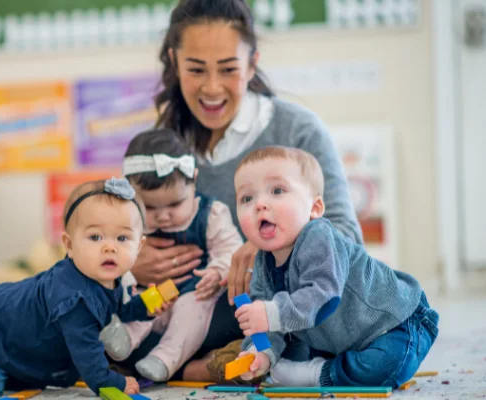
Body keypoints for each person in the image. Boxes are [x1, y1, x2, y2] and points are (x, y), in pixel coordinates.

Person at [121, 0, 363, 382]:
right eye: (196, 69)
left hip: (260, 308)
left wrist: (269, 244)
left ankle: (198, 365)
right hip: (174, 303)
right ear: (174, 60)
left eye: (229, 70)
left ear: (252, 64)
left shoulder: (296, 130)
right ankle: (193, 365)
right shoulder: (165, 144)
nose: (212, 88)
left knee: (259, 324)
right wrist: (132, 256)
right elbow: (114, 218)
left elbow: (348, 239)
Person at [232, 146, 438, 388]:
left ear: (314, 208)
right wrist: (260, 354)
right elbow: (271, 325)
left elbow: (323, 297)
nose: (259, 205)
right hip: (340, 340)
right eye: (247, 198)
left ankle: (316, 374)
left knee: (384, 366)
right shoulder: (263, 262)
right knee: (289, 348)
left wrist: (269, 313)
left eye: (277, 190)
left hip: (395, 322)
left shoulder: (319, 236)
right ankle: (316, 366)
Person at [0, 178, 172, 399]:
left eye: (122, 238)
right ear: (69, 245)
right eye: (95, 237)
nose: (110, 247)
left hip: (19, 338)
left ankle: (3, 367)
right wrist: (114, 382)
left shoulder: (112, 277)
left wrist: (145, 306)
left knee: (17, 380)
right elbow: (88, 359)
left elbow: (119, 308)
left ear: (139, 246)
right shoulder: (74, 299)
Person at [101, 128, 243, 381]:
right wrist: (127, 267)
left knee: (191, 310)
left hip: (196, 293)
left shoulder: (210, 213)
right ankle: (123, 341)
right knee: (136, 304)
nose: (163, 216)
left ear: (194, 181)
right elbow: (107, 256)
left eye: (175, 204)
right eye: (151, 207)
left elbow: (230, 249)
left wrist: (218, 271)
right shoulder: (125, 219)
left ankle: (165, 359)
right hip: (151, 294)